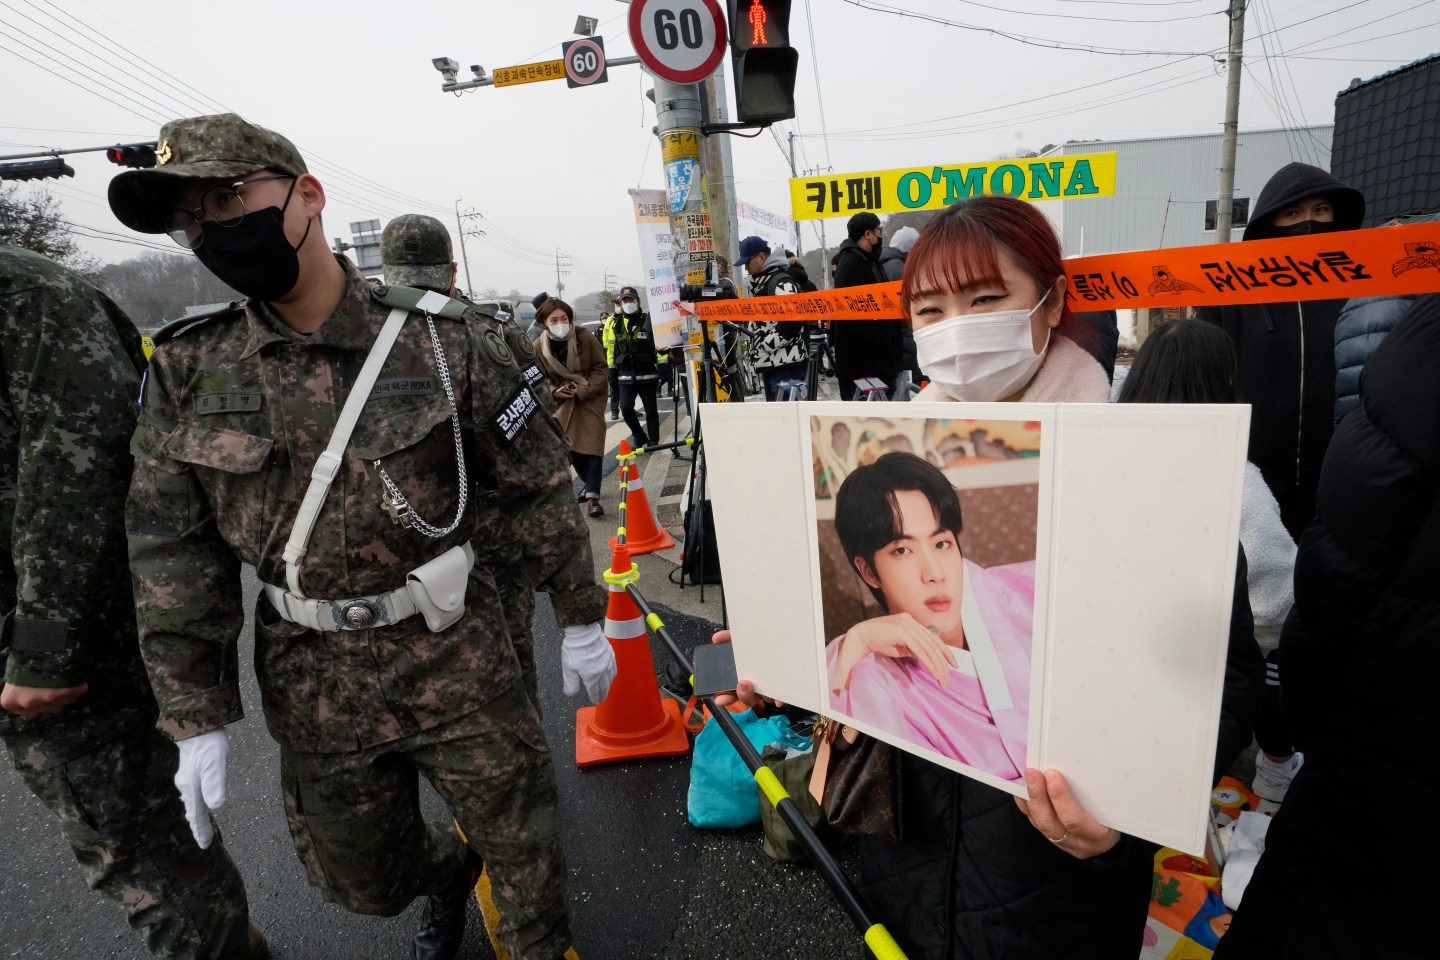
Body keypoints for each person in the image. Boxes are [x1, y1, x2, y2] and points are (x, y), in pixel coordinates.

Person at [107, 113, 616, 960]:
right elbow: (171, 547)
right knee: (362, 884)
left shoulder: (445, 340)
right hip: (314, 685)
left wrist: (580, 611)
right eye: (192, 218)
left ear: (306, 195)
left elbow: (532, 485)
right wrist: (194, 713)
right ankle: (448, 873)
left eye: (230, 198)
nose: (213, 230)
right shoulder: (191, 371)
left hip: (460, 658)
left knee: (528, 866)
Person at [723, 195, 1149, 959]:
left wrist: (1126, 821)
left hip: (1057, 897)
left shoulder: (1138, 473)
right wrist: (790, 654)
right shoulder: (898, 473)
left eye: (987, 299)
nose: (957, 328)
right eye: (931, 308)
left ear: (1050, 302)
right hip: (906, 883)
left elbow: (1221, 687)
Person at [0, 245, 261, 960]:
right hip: (34, 633)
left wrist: (48, 645)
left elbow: (78, 466)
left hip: (66, 641)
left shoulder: (23, 296)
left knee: (137, 852)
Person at [1216, 292, 1440, 958]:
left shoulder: (1417, 349)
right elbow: (1288, 596)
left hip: (1382, 743)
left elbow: (1338, 566)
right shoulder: (1243, 481)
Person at [380, 214, 553, 711]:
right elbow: (539, 447)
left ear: (386, 271)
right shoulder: (485, 332)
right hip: (491, 535)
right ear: (452, 271)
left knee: (414, 669)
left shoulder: (351, 342)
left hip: (395, 547)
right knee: (511, 660)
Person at [1114, 319, 1271, 783]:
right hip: (1194, 685)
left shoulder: (1102, 452)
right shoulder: (1234, 478)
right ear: (1222, 383)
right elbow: (1276, 595)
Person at [826, 452, 1032, 781]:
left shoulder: (1021, 592)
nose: (935, 573)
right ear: (868, 572)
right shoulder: (869, 672)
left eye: (942, 543)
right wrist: (859, 638)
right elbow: (839, 760)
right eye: (902, 550)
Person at [1198, 162, 1365, 538]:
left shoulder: (1366, 281)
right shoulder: (1229, 288)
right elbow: (1206, 378)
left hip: (1340, 469)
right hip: (1253, 472)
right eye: (1293, 213)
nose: (1309, 222)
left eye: (1321, 210)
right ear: (1269, 221)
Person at [531, 293, 609, 519]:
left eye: (563, 318)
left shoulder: (585, 338)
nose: (560, 324)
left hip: (589, 397)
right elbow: (537, 377)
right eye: (553, 320)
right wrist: (554, 391)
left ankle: (594, 497)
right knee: (572, 449)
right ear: (544, 323)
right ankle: (588, 484)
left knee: (593, 445)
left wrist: (583, 389)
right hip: (561, 401)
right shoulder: (538, 347)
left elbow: (600, 368)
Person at [830, 212, 905, 400]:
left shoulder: (871, 260)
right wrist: (878, 330)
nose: (880, 234)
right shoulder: (851, 263)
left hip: (879, 353)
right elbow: (855, 312)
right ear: (867, 234)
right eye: (878, 230)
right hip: (864, 359)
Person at [737, 234, 807, 400]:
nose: (746, 268)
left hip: (785, 365)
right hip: (773, 363)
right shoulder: (764, 282)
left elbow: (792, 321)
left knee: (787, 420)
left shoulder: (781, 282)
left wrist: (764, 344)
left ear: (761, 257)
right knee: (781, 419)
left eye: (747, 262)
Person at [612, 284, 661, 448]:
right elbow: (611, 348)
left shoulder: (647, 320)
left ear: (637, 301)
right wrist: (610, 369)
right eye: (624, 300)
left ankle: (653, 441)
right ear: (620, 303)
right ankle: (639, 435)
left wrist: (663, 364)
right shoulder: (614, 323)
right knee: (625, 409)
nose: (628, 303)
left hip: (647, 374)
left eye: (631, 299)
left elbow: (658, 344)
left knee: (651, 411)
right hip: (625, 375)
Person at [600, 307, 621, 420]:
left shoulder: (629, 319)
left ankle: (629, 410)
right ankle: (614, 411)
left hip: (625, 360)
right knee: (614, 387)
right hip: (612, 359)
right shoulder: (610, 320)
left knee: (627, 388)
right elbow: (605, 340)